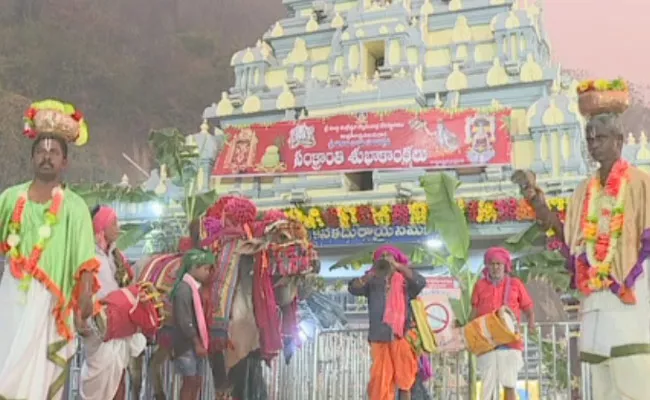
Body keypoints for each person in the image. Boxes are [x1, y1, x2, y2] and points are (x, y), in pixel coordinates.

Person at [514, 111, 650, 399]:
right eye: (589, 139)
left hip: (632, 299)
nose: (594, 145)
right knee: (601, 385)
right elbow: (570, 244)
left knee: (634, 378)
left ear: (619, 141)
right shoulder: (581, 191)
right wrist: (537, 203)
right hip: (594, 303)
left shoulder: (641, 183)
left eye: (600, 138)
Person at [0, 99, 98, 399]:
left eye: (53, 152)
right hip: (10, 298)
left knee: (39, 383)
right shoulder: (10, 198)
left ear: (64, 162)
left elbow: (85, 264)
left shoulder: (75, 207)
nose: (46, 157)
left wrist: (83, 310)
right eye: (40, 152)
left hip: (51, 307)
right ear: (32, 159)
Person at [79, 205, 147, 400]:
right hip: (98, 330)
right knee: (99, 384)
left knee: (119, 381)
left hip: (120, 328)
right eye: (114, 223)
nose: (118, 227)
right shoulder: (89, 257)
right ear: (101, 226)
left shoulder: (118, 257)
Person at [348, 245, 426, 400]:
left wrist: (397, 267)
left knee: (405, 381)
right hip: (379, 337)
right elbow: (352, 288)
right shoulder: (372, 281)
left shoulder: (404, 281)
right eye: (381, 256)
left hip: (402, 335)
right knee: (380, 382)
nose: (385, 258)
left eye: (388, 256)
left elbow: (420, 282)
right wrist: (369, 275)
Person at [470, 247, 535, 400]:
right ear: (487, 266)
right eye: (492, 264)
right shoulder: (480, 285)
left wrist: (531, 324)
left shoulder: (515, 284)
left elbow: (528, 308)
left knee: (509, 384)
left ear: (505, 266)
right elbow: (474, 312)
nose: (495, 267)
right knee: (487, 387)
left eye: (498, 264)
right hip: (487, 342)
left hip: (510, 342)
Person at [171, 248, 216, 400]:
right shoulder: (184, 289)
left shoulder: (194, 288)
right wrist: (197, 343)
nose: (207, 272)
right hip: (186, 345)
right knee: (189, 382)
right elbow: (185, 321)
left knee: (196, 382)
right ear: (194, 267)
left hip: (194, 344)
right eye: (205, 268)